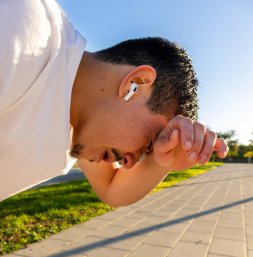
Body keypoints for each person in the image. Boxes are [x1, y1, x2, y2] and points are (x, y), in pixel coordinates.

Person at [0, 0, 228, 206]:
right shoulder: (23, 33)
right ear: (135, 85)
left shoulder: (80, 119)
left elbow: (112, 190)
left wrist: (163, 161)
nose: (128, 164)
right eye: (148, 145)